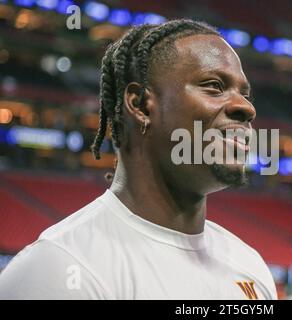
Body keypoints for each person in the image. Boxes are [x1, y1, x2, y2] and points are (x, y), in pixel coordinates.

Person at [0, 19, 277, 300]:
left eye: (245, 94)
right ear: (141, 104)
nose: (246, 107)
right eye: (214, 86)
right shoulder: (57, 270)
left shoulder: (250, 266)